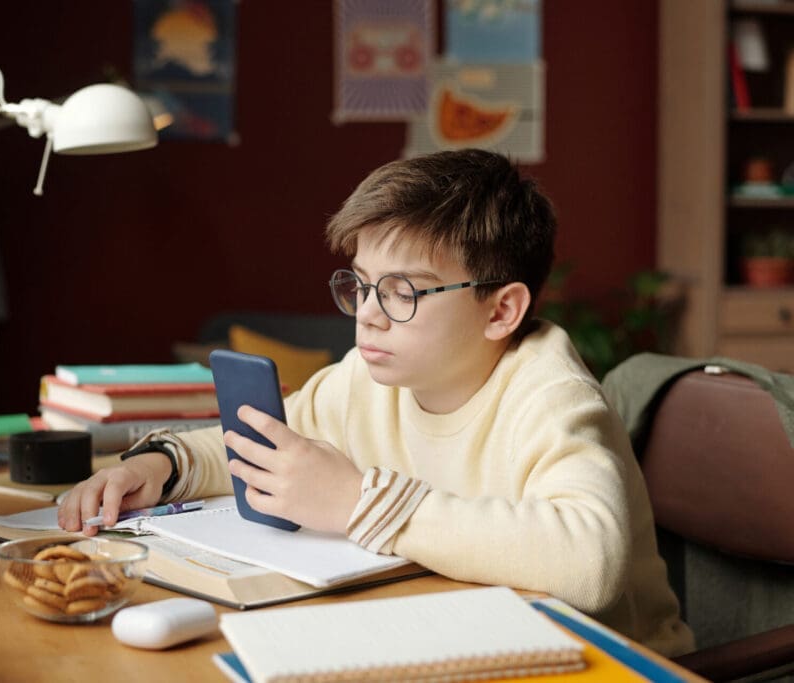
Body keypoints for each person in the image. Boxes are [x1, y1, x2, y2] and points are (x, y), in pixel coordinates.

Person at [58, 149, 694, 656]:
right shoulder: (368, 375)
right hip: (460, 639)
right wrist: (159, 467)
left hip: (602, 663)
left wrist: (357, 500)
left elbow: (590, 561)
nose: (367, 316)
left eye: (403, 293)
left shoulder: (550, 394)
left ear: (501, 309)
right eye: (361, 286)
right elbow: (268, 445)